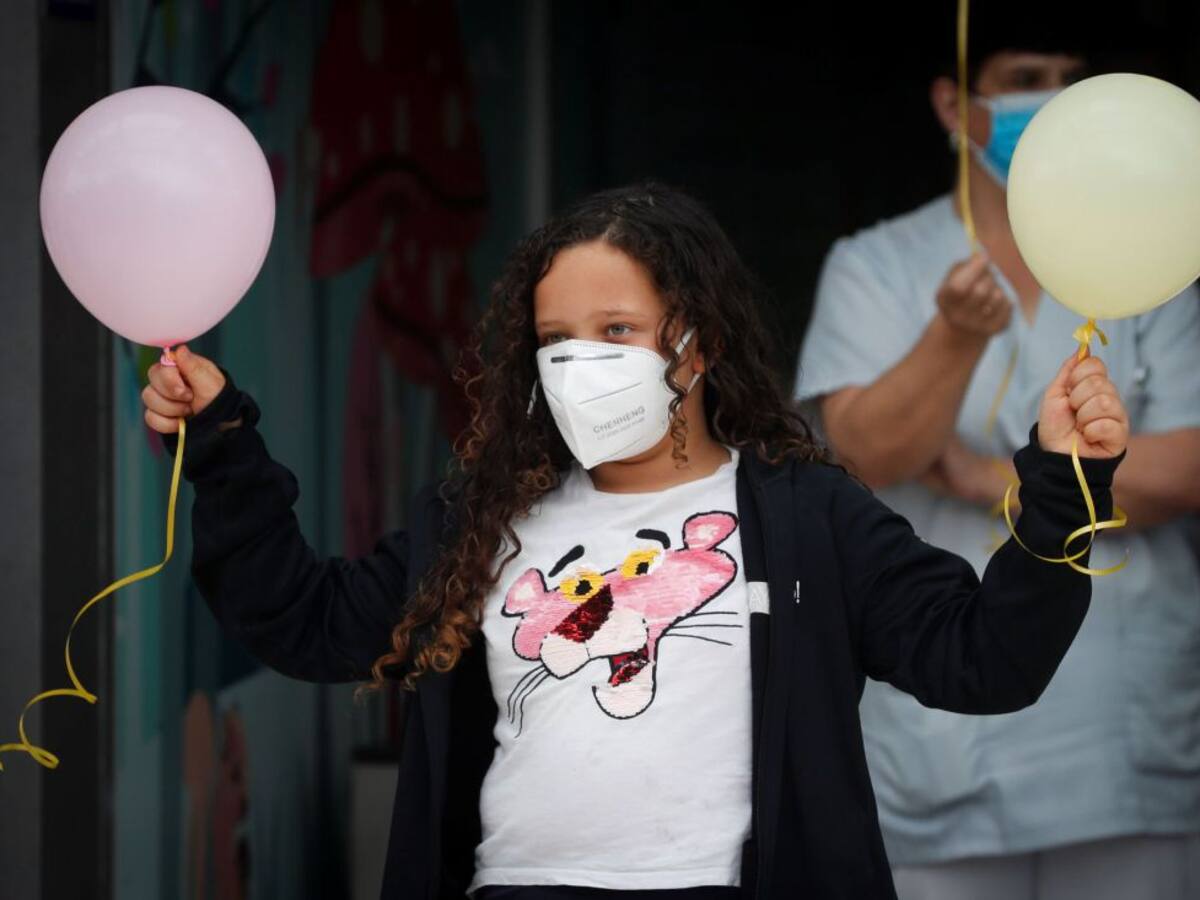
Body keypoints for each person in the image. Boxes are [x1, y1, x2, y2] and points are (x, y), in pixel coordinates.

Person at [145, 183, 1127, 899]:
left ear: (693, 344)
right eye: (556, 340)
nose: (581, 366)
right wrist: (223, 448)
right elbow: (303, 623)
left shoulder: (806, 520)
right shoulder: (474, 525)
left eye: (616, 330)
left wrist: (1062, 482)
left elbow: (987, 660)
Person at [796, 14, 1200, 900]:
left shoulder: (1153, 258)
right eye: (1024, 76)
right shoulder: (878, 266)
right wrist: (950, 338)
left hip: (1123, 732)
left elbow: (1191, 466)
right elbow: (862, 453)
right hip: (944, 744)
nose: (1051, 101)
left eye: (1068, 74)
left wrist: (995, 476)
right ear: (953, 102)